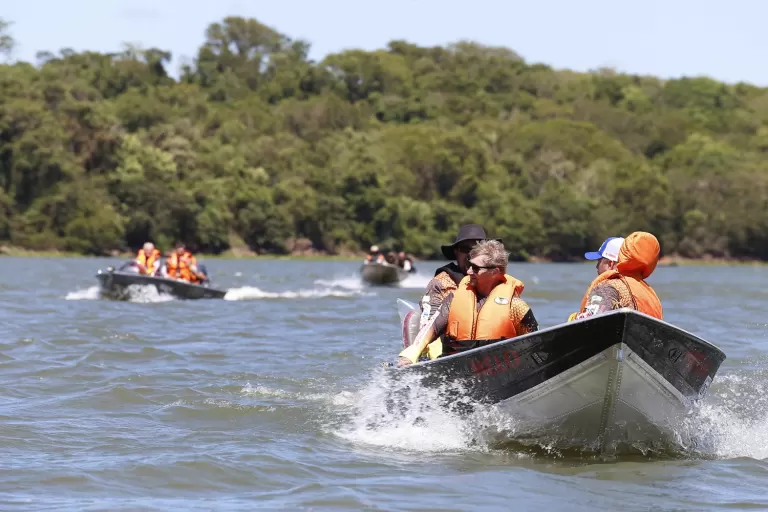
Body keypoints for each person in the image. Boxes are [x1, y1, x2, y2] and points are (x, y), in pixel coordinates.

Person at [398, 240, 538, 366]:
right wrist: (409, 356)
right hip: (454, 368)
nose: (469, 271)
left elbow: (536, 345)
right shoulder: (454, 299)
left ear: (495, 272)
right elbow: (431, 329)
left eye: (476, 268)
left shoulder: (517, 307)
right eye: (469, 265)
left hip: (498, 369)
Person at [419, 224, 498, 330]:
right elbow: (429, 328)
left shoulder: (499, 282)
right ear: (456, 252)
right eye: (465, 249)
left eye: (478, 248)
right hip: (454, 343)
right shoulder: (440, 284)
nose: (471, 254)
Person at [570, 231, 663, 321]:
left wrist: (575, 318)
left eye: (599, 261)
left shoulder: (608, 287)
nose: (596, 266)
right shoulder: (649, 293)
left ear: (610, 264)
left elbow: (590, 322)